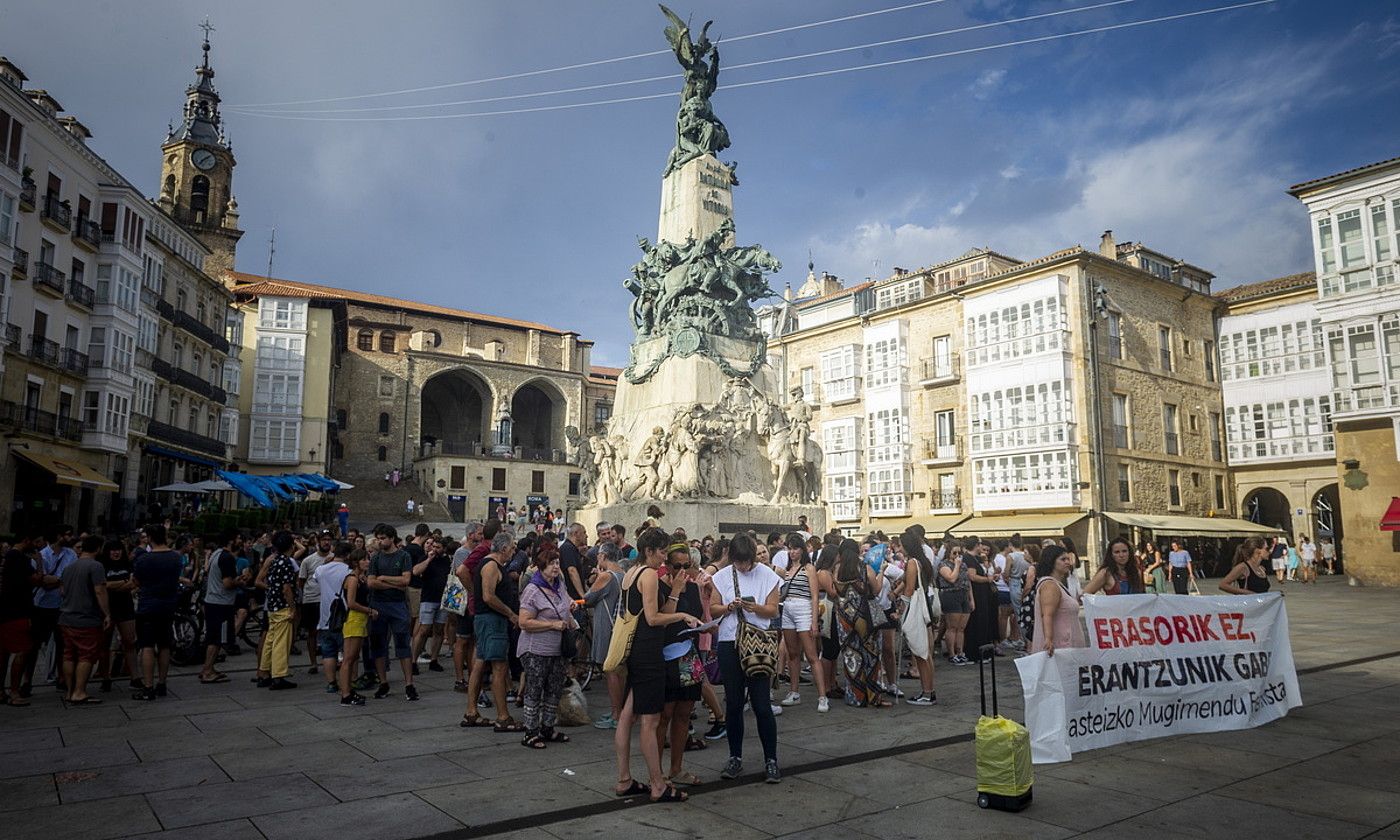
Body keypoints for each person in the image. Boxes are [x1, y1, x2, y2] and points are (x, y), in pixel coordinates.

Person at [615, 527, 702, 802]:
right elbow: (653, 618)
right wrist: (683, 615)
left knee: (627, 716)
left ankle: (624, 779)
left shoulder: (630, 573)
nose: (664, 559)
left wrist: (675, 594)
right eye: (662, 552)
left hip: (635, 651)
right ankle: (658, 784)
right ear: (649, 551)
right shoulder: (650, 575)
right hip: (649, 653)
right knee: (650, 721)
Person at [707, 531, 782, 783]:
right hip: (730, 643)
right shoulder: (721, 576)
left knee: (762, 705)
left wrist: (754, 607)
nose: (744, 567)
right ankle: (735, 757)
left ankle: (771, 759)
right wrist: (730, 606)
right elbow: (713, 608)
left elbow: (772, 610)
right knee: (735, 704)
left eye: (747, 562)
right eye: (739, 562)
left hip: (758, 643)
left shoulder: (768, 575)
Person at [516, 542, 578, 749]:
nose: (555, 567)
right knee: (535, 690)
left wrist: (570, 606)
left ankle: (548, 728)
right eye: (551, 564)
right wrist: (552, 624)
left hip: (557, 649)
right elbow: (523, 622)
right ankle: (530, 732)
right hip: (536, 650)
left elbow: (565, 599)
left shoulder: (559, 583)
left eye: (557, 563)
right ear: (541, 567)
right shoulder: (532, 590)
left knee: (554, 689)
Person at [461, 532, 523, 732]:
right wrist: (510, 614)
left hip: (487, 621)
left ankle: (472, 712)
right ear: (504, 548)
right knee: (499, 667)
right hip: (491, 621)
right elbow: (488, 596)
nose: (513, 552)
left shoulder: (493, 565)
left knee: (480, 664)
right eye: (512, 548)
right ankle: (503, 717)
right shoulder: (490, 565)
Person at [658, 543, 705, 786]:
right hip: (665, 657)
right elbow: (662, 620)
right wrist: (675, 591)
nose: (683, 571)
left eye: (688, 566)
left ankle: (676, 767)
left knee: (684, 713)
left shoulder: (694, 588)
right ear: (667, 566)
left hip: (688, 655)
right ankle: (657, 772)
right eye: (678, 566)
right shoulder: (660, 587)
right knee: (664, 714)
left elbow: (698, 615)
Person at [132, 525, 184, 700]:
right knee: (164, 644)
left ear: (150, 538)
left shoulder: (144, 559)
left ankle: (148, 686)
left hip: (148, 604)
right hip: (168, 604)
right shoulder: (176, 558)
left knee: (147, 645)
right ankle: (162, 683)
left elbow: (136, 581)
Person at [57, 535, 110, 705]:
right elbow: (100, 591)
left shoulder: (69, 567)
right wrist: (107, 613)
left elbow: (62, 591)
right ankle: (79, 691)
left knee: (69, 655)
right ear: (97, 549)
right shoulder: (96, 566)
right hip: (86, 618)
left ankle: (69, 690)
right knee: (86, 655)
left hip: (66, 617)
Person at [777, 537, 828, 711]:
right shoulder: (788, 569)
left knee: (811, 654)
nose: (792, 552)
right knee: (792, 653)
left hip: (803, 607)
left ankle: (822, 696)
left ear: (802, 550)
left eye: (795, 548)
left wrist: (814, 621)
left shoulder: (809, 568)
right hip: (788, 608)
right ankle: (794, 691)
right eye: (789, 549)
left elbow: (815, 596)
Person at [836, 538, 888, 705]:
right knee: (872, 657)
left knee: (850, 656)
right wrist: (881, 572)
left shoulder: (836, 570)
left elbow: (834, 592)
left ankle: (855, 697)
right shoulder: (864, 568)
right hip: (865, 617)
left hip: (844, 618)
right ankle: (874, 697)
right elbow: (877, 589)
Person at [367, 526, 417, 701]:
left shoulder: (403, 556)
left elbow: (406, 580)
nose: (379, 541)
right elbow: (371, 582)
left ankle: (409, 684)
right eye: (378, 538)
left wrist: (383, 578)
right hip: (378, 605)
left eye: (382, 538)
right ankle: (383, 682)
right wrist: (394, 584)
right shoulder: (375, 558)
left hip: (397, 605)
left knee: (403, 644)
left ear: (391, 538)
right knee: (378, 645)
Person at [25, 528, 75, 696]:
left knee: (63, 644)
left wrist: (58, 580)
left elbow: (71, 578)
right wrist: (60, 581)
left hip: (62, 606)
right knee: (34, 645)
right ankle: (27, 681)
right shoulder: (42, 555)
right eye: (67, 534)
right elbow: (42, 580)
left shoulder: (70, 554)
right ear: (58, 536)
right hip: (41, 605)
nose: (70, 537)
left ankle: (62, 679)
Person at [585, 542, 625, 730]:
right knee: (618, 671)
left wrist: (594, 578)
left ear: (603, 556)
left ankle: (616, 714)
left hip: (606, 627)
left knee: (611, 672)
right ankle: (620, 711)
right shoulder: (623, 574)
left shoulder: (606, 576)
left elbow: (588, 599)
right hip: (618, 628)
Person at [0, 535, 41, 705]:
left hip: (4, 611)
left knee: (3, 652)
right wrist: (39, 562)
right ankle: (15, 692)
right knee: (23, 650)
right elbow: (37, 579)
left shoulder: (6, 559)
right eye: (36, 541)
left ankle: (1, 692)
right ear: (27, 540)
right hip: (18, 611)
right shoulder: (20, 558)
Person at [256, 531, 299, 691]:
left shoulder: (273, 560)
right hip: (282, 606)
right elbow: (287, 588)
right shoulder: (286, 562)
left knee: (270, 640)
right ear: (291, 546)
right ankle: (279, 676)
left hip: (272, 605)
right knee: (281, 643)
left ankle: (264, 672)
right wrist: (293, 608)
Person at [899, 530, 938, 706]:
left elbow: (908, 589)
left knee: (921, 654)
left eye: (901, 545)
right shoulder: (923, 561)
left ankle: (927, 693)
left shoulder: (912, 563)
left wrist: (901, 610)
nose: (899, 548)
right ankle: (928, 691)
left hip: (916, 609)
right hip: (925, 610)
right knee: (926, 654)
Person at [198, 530, 243, 684]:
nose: (240, 541)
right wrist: (240, 581)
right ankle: (207, 670)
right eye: (237, 538)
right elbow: (227, 583)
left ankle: (208, 668)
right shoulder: (227, 557)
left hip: (212, 599)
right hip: (221, 602)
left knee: (214, 636)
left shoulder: (215, 554)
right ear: (231, 541)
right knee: (216, 638)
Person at [95, 540, 139, 692]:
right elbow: (103, 585)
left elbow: (133, 584)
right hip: (107, 608)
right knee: (104, 645)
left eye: (119, 550)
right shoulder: (101, 566)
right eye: (113, 550)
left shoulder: (128, 564)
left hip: (125, 607)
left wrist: (113, 585)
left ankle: (135, 677)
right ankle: (105, 677)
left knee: (130, 641)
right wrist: (122, 583)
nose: (116, 553)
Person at [313, 541, 353, 694]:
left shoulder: (321, 569)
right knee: (347, 653)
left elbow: (315, 578)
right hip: (343, 616)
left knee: (328, 652)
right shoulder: (348, 571)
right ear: (348, 555)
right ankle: (347, 681)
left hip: (325, 617)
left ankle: (331, 683)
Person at [1030, 545, 1086, 656]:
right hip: (1061, 647)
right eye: (1063, 559)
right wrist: (1048, 639)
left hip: (1067, 646)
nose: (1067, 563)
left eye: (1068, 559)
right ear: (1051, 562)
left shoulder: (1057, 584)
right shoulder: (1050, 585)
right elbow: (1047, 615)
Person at [337, 549, 375, 706]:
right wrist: (370, 611)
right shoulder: (352, 579)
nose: (367, 561)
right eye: (364, 559)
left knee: (353, 658)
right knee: (349, 658)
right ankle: (345, 694)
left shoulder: (360, 578)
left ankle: (348, 689)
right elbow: (351, 603)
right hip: (354, 619)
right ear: (356, 562)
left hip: (360, 620)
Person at [297, 531, 334, 676]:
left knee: (329, 631)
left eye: (329, 540)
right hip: (312, 599)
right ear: (318, 541)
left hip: (329, 599)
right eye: (324, 540)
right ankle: (313, 663)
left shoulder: (334, 559)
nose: (326, 542)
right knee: (312, 632)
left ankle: (330, 659)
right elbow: (301, 581)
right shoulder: (308, 560)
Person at [411, 536, 451, 671]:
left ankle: (434, 659)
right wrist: (429, 559)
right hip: (428, 598)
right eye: (433, 546)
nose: (434, 549)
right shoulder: (425, 558)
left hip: (442, 599)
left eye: (438, 547)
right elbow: (416, 571)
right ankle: (413, 660)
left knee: (438, 630)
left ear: (444, 549)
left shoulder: (447, 560)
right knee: (423, 630)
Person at [936, 540, 972, 665]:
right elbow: (951, 578)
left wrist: (971, 599)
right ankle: (952, 654)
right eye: (954, 553)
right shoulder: (943, 565)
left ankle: (960, 652)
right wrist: (956, 565)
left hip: (963, 594)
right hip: (950, 594)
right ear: (948, 553)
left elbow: (968, 582)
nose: (957, 555)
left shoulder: (964, 565)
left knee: (961, 628)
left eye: (959, 553)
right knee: (952, 627)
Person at [560, 524, 589, 600]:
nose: (586, 536)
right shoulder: (568, 548)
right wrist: (582, 596)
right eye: (584, 532)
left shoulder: (573, 549)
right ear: (576, 534)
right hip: (573, 599)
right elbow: (572, 571)